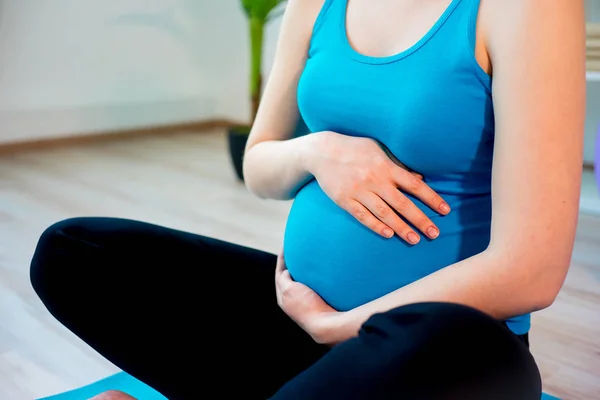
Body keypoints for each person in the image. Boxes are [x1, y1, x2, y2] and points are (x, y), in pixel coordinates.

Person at [29, 0, 585, 399]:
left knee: (429, 335)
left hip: (439, 351)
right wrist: (319, 152)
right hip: (297, 321)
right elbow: (259, 165)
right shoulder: (316, 3)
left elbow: (531, 270)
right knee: (73, 252)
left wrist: (343, 326)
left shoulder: (527, 8)